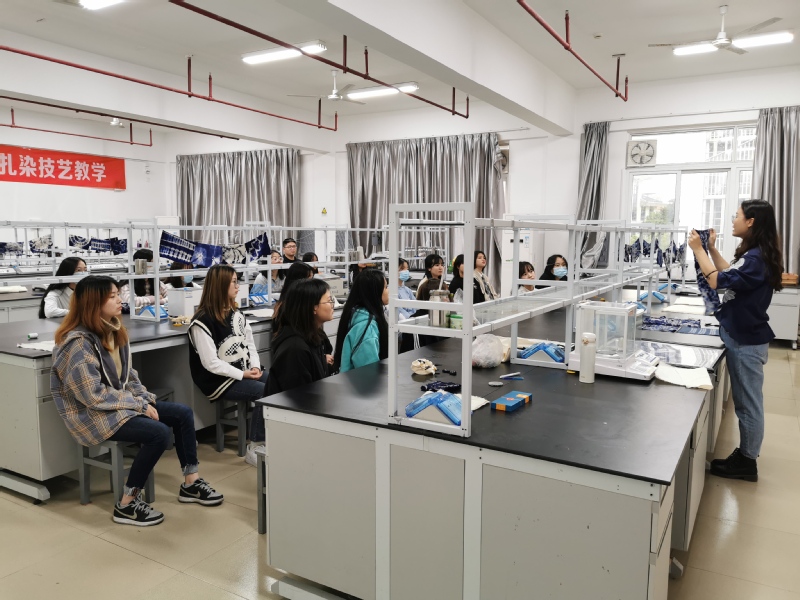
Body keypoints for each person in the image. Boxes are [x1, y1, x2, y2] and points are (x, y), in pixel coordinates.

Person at [51, 276, 223, 526]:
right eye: (112, 296)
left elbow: (129, 376)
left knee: (183, 414)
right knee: (158, 433)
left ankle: (191, 482)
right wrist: (139, 405)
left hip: (118, 405)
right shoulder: (78, 344)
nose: (119, 300)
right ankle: (126, 504)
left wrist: (143, 399)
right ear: (93, 303)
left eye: (116, 295)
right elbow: (93, 395)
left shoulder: (114, 330)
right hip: (93, 414)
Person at [689, 200, 784, 483]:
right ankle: (746, 455)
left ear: (751, 221)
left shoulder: (756, 258)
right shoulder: (755, 254)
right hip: (743, 335)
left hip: (746, 341)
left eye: (737, 216)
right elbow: (730, 275)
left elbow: (716, 281)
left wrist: (698, 250)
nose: (733, 220)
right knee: (747, 401)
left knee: (747, 404)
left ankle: (747, 461)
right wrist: (711, 249)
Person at [187, 265, 266, 467]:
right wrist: (243, 374)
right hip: (218, 380)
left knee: (279, 381)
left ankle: (274, 437)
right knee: (264, 392)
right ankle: (255, 446)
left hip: (242, 369)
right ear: (220, 285)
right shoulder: (201, 322)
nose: (238, 286)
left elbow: (249, 344)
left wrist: (255, 367)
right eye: (234, 282)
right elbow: (211, 363)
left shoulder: (235, 313)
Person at [266, 278, 335, 399]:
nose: (332, 305)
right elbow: (299, 399)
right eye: (329, 301)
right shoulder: (295, 349)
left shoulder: (313, 337)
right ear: (313, 307)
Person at [334, 269, 389, 373]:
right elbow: (369, 373)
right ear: (375, 292)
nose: (388, 291)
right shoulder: (367, 328)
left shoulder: (356, 313)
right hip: (362, 382)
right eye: (386, 287)